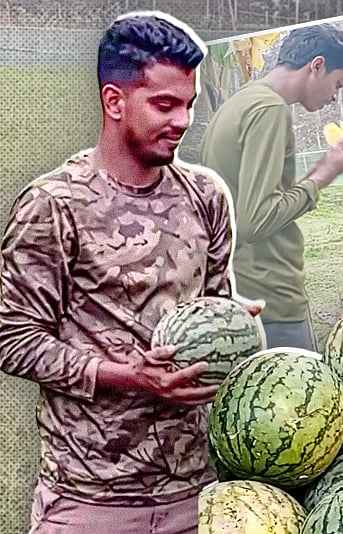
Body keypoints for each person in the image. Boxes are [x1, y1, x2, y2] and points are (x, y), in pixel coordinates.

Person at [0, 12, 252, 534]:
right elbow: (11, 337)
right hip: (91, 500)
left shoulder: (205, 197)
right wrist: (129, 375)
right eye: (164, 104)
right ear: (114, 101)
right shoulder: (53, 205)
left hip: (201, 493)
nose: (182, 120)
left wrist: (235, 324)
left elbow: (215, 309)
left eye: (188, 104)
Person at [199, 24, 343, 351]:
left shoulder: (237, 105)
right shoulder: (270, 110)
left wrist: (320, 168)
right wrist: (322, 177)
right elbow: (256, 220)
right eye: (339, 84)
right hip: (271, 293)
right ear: (317, 66)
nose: (335, 97)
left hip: (238, 285)